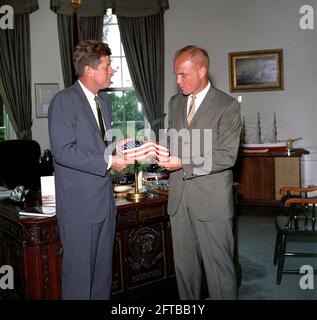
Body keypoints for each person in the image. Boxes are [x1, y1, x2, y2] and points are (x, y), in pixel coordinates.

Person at [157, 45, 241, 300]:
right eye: (175, 75)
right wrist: (156, 150)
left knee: (219, 273)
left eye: (183, 75)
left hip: (212, 202)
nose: (177, 81)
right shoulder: (175, 103)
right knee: (185, 272)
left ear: (202, 71)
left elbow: (227, 156)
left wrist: (183, 162)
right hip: (179, 201)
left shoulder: (227, 106)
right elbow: (176, 142)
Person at [48, 40, 129, 300]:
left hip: (104, 204)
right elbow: (64, 150)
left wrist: (120, 146)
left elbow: (97, 145)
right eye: (107, 66)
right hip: (79, 209)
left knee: (102, 279)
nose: (112, 71)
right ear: (89, 70)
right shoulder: (63, 101)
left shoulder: (103, 102)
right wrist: (108, 162)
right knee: (79, 282)